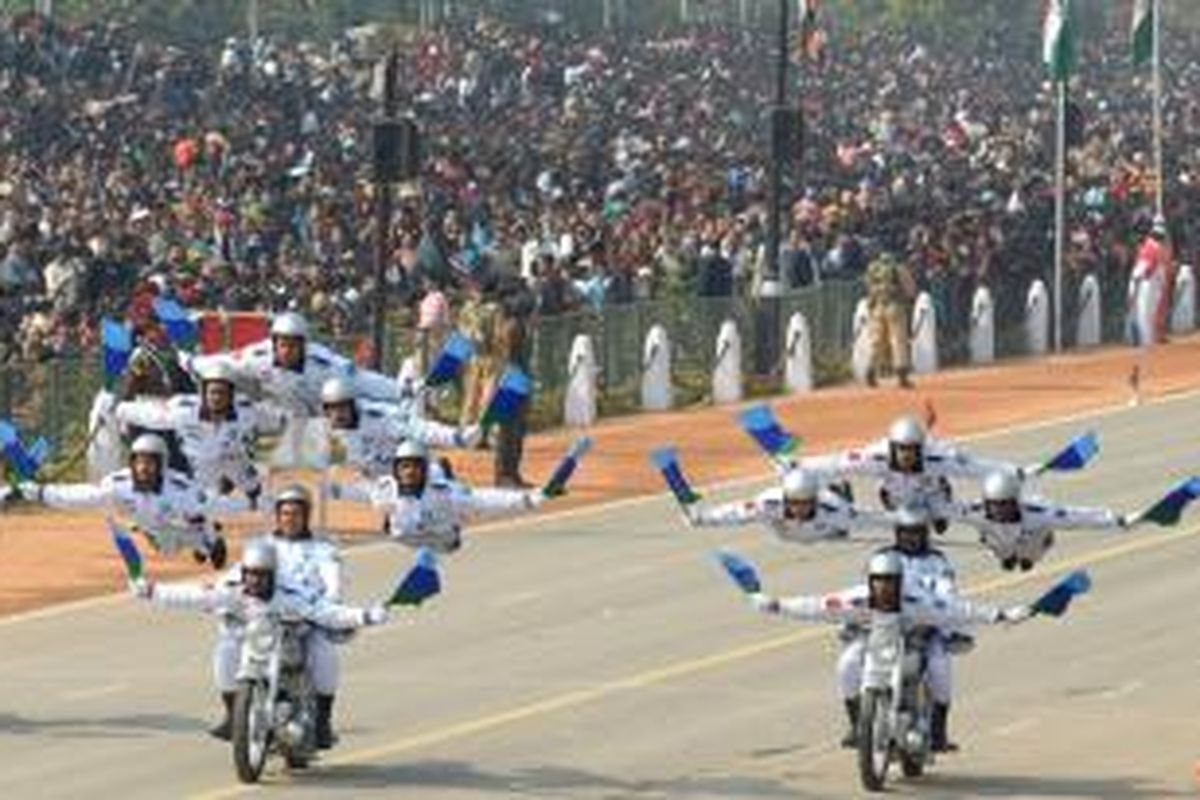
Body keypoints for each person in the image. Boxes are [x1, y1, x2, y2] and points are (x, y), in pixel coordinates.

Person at [749, 546, 1032, 751]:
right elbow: (816, 605)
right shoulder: (858, 599)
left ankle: (938, 732)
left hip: (919, 639)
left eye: (890, 583)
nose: (884, 589)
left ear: (900, 582)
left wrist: (1003, 615)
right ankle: (856, 725)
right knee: (847, 664)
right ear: (870, 582)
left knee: (939, 667)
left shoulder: (919, 600)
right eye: (879, 582)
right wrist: (775, 604)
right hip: (874, 641)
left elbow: (961, 609)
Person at [130, 538, 388, 744]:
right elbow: (196, 596)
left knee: (324, 653)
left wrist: (366, 615)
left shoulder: (291, 596)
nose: (254, 581)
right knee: (225, 649)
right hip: (256, 644)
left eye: (261, 575)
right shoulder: (235, 592)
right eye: (250, 574)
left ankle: (321, 720)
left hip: (290, 644)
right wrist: (152, 591)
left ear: (273, 575)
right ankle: (233, 715)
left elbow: (328, 613)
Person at [5, 433, 232, 567]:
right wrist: (37, 492)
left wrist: (213, 539)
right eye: (138, 461)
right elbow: (78, 497)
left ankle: (204, 544)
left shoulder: (180, 490)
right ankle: (179, 538)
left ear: (161, 465)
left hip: (175, 520)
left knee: (186, 536)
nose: (143, 467)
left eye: (150, 462)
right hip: (149, 523)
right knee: (165, 549)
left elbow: (209, 507)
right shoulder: (117, 485)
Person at [329, 439, 553, 554]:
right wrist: (332, 489)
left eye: (416, 467)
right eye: (404, 467)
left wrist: (527, 500)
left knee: (454, 509)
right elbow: (359, 492)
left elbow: (485, 499)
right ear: (396, 469)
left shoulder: (446, 495)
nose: (409, 472)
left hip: (442, 539)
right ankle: (441, 466)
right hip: (406, 534)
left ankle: (443, 470)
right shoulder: (386, 489)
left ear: (423, 470)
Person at [112, 362, 288, 507]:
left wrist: (286, 419)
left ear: (231, 394)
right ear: (203, 392)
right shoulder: (183, 411)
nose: (216, 398)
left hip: (234, 456)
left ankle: (257, 507)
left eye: (222, 393)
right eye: (212, 392)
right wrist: (120, 408)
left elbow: (273, 418)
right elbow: (152, 415)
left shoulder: (246, 410)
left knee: (257, 490)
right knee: (200, 502)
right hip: (200, 463)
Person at [799, 415, 1010, 530]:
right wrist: (800, 465)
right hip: (895, 495)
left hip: (931, 493)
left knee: (938, 515)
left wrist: (1012, 472)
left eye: (911, 450)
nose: (906, 455)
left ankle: (939, 515)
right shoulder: (877, 455)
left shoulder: (938, 453)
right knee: (904, 525)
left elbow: (974, 467)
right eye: (901, 450)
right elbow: (839, 461)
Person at [188, 311, 401, 417]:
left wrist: (401, 391)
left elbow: (363, 380)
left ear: (304, 345)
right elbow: (225, 362)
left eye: (293, 345)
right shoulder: (257, 356)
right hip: (274, 418)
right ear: (274, 343)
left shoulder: (325, 364)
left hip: (319, 420)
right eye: (282, 344)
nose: (287, 351)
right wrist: (189, 362)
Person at [952, 469, 1128, 571]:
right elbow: (943, 509)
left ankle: (1027, 558)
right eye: (994, 505)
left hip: (1031, 543)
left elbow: (1079, 517)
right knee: (1002, 553)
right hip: (999, 541)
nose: (999, 511)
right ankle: (1008, 557)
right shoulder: (973, 511)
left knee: (1029, 556)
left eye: (1005, 504)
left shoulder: (1039, 514)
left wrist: (1117, 520)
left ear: (1016, 501)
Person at [320, 376, 480, 480]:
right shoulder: (331, 434)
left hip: (409, 471)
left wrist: (456, 437)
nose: (337, 414)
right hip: (376, 480)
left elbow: (420, 429)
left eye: (342, 408)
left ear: (353, 405)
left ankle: (439, 470)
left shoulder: (380, 417)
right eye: (331, 409)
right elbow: (336, 463)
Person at [683, 468, 888, 544]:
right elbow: (734, 513)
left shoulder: (832, 509)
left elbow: (872, 519)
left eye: (805, 504)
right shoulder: (769, 504)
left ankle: (839, 490)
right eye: (795, 503)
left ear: (814, 501)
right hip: (786, 536)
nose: (799, 510)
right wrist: (701, 518)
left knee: (842, 525)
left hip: (825, 532)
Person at [493, 275, 535, 487]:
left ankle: (512, 472)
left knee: (517, 429)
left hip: (516, 379)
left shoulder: (514, 324)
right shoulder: (511, 326)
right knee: (508, 430)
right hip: (511, 381)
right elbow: (509, 358)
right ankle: (503, 474)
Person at [456, 275, 500, 448]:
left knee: (488, 398)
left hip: (491, 358)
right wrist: (469, 336)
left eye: (478, 288)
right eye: (473, 288)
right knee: (471, 398)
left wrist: (488, 340)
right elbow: (461, 329)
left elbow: (499, 334)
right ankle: (467, 435)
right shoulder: (467, 309)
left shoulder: (493, 309)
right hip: (473, 358)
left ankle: (487, 436)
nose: (475, 292)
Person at [863, 252, 917, 388]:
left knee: (876, 341)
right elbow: (910, 289)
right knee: (897, 340)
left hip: (878, 307)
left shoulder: (873, 269)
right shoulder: (898, 269)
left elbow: (868, 289)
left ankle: (870, 370)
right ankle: (901, 374)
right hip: (895, 306)